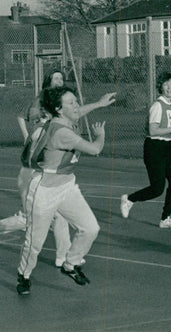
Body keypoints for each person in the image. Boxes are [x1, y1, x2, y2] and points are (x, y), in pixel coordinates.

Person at [0, 69, 115, 268]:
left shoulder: (60, 112)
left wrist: (99, 104)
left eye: (62, 77)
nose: (60, 81)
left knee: (57, 217)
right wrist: (28, 134)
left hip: (48, 175)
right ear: (48, 83)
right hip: (33, 173)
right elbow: (33, 121)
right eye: (56, 78)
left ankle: (63, 256)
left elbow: (75, 112)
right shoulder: (42, 105)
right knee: (34, 219)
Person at [16, 86, 105, 295]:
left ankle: (70, 264)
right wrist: (100, 135)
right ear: (58, 108)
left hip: (67, 187)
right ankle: (24, 275)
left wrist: (100, 104)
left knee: (91, 228)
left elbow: (78, 112)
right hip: (44, 190)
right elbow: (95, 149)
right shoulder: (61, 132)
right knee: (35, 242)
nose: (77, 106)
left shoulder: (62, 120)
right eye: (71, 103)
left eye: (76, 101)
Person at [119, 72, 171, 229]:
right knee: (157, 188)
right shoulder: (157, 106)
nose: (169, 87)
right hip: (154, 148)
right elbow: (153, 131)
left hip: (169, 147)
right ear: (161, 87)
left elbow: (170, 130)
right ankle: (129, 199)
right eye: (166, 84)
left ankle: (165, 218)